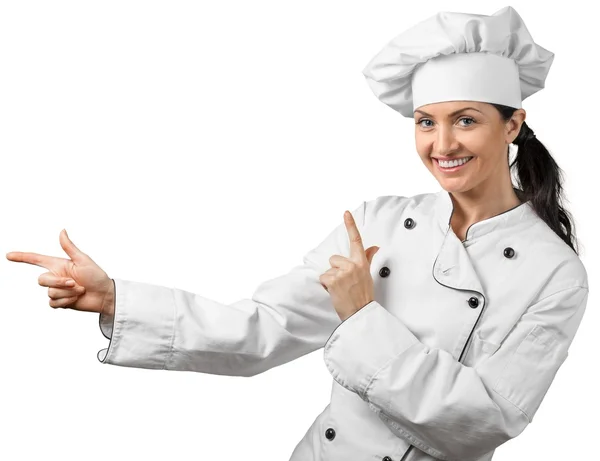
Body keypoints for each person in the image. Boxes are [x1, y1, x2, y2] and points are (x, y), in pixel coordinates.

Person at [6, 5, 589, 461]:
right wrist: (116, 298)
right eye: (425, 122)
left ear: (513, 124)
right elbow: (262, 328)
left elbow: (476, 426)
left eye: (467, 120)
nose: (442, 145)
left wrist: (363, 318)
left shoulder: (555, 273)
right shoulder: (379, 222)